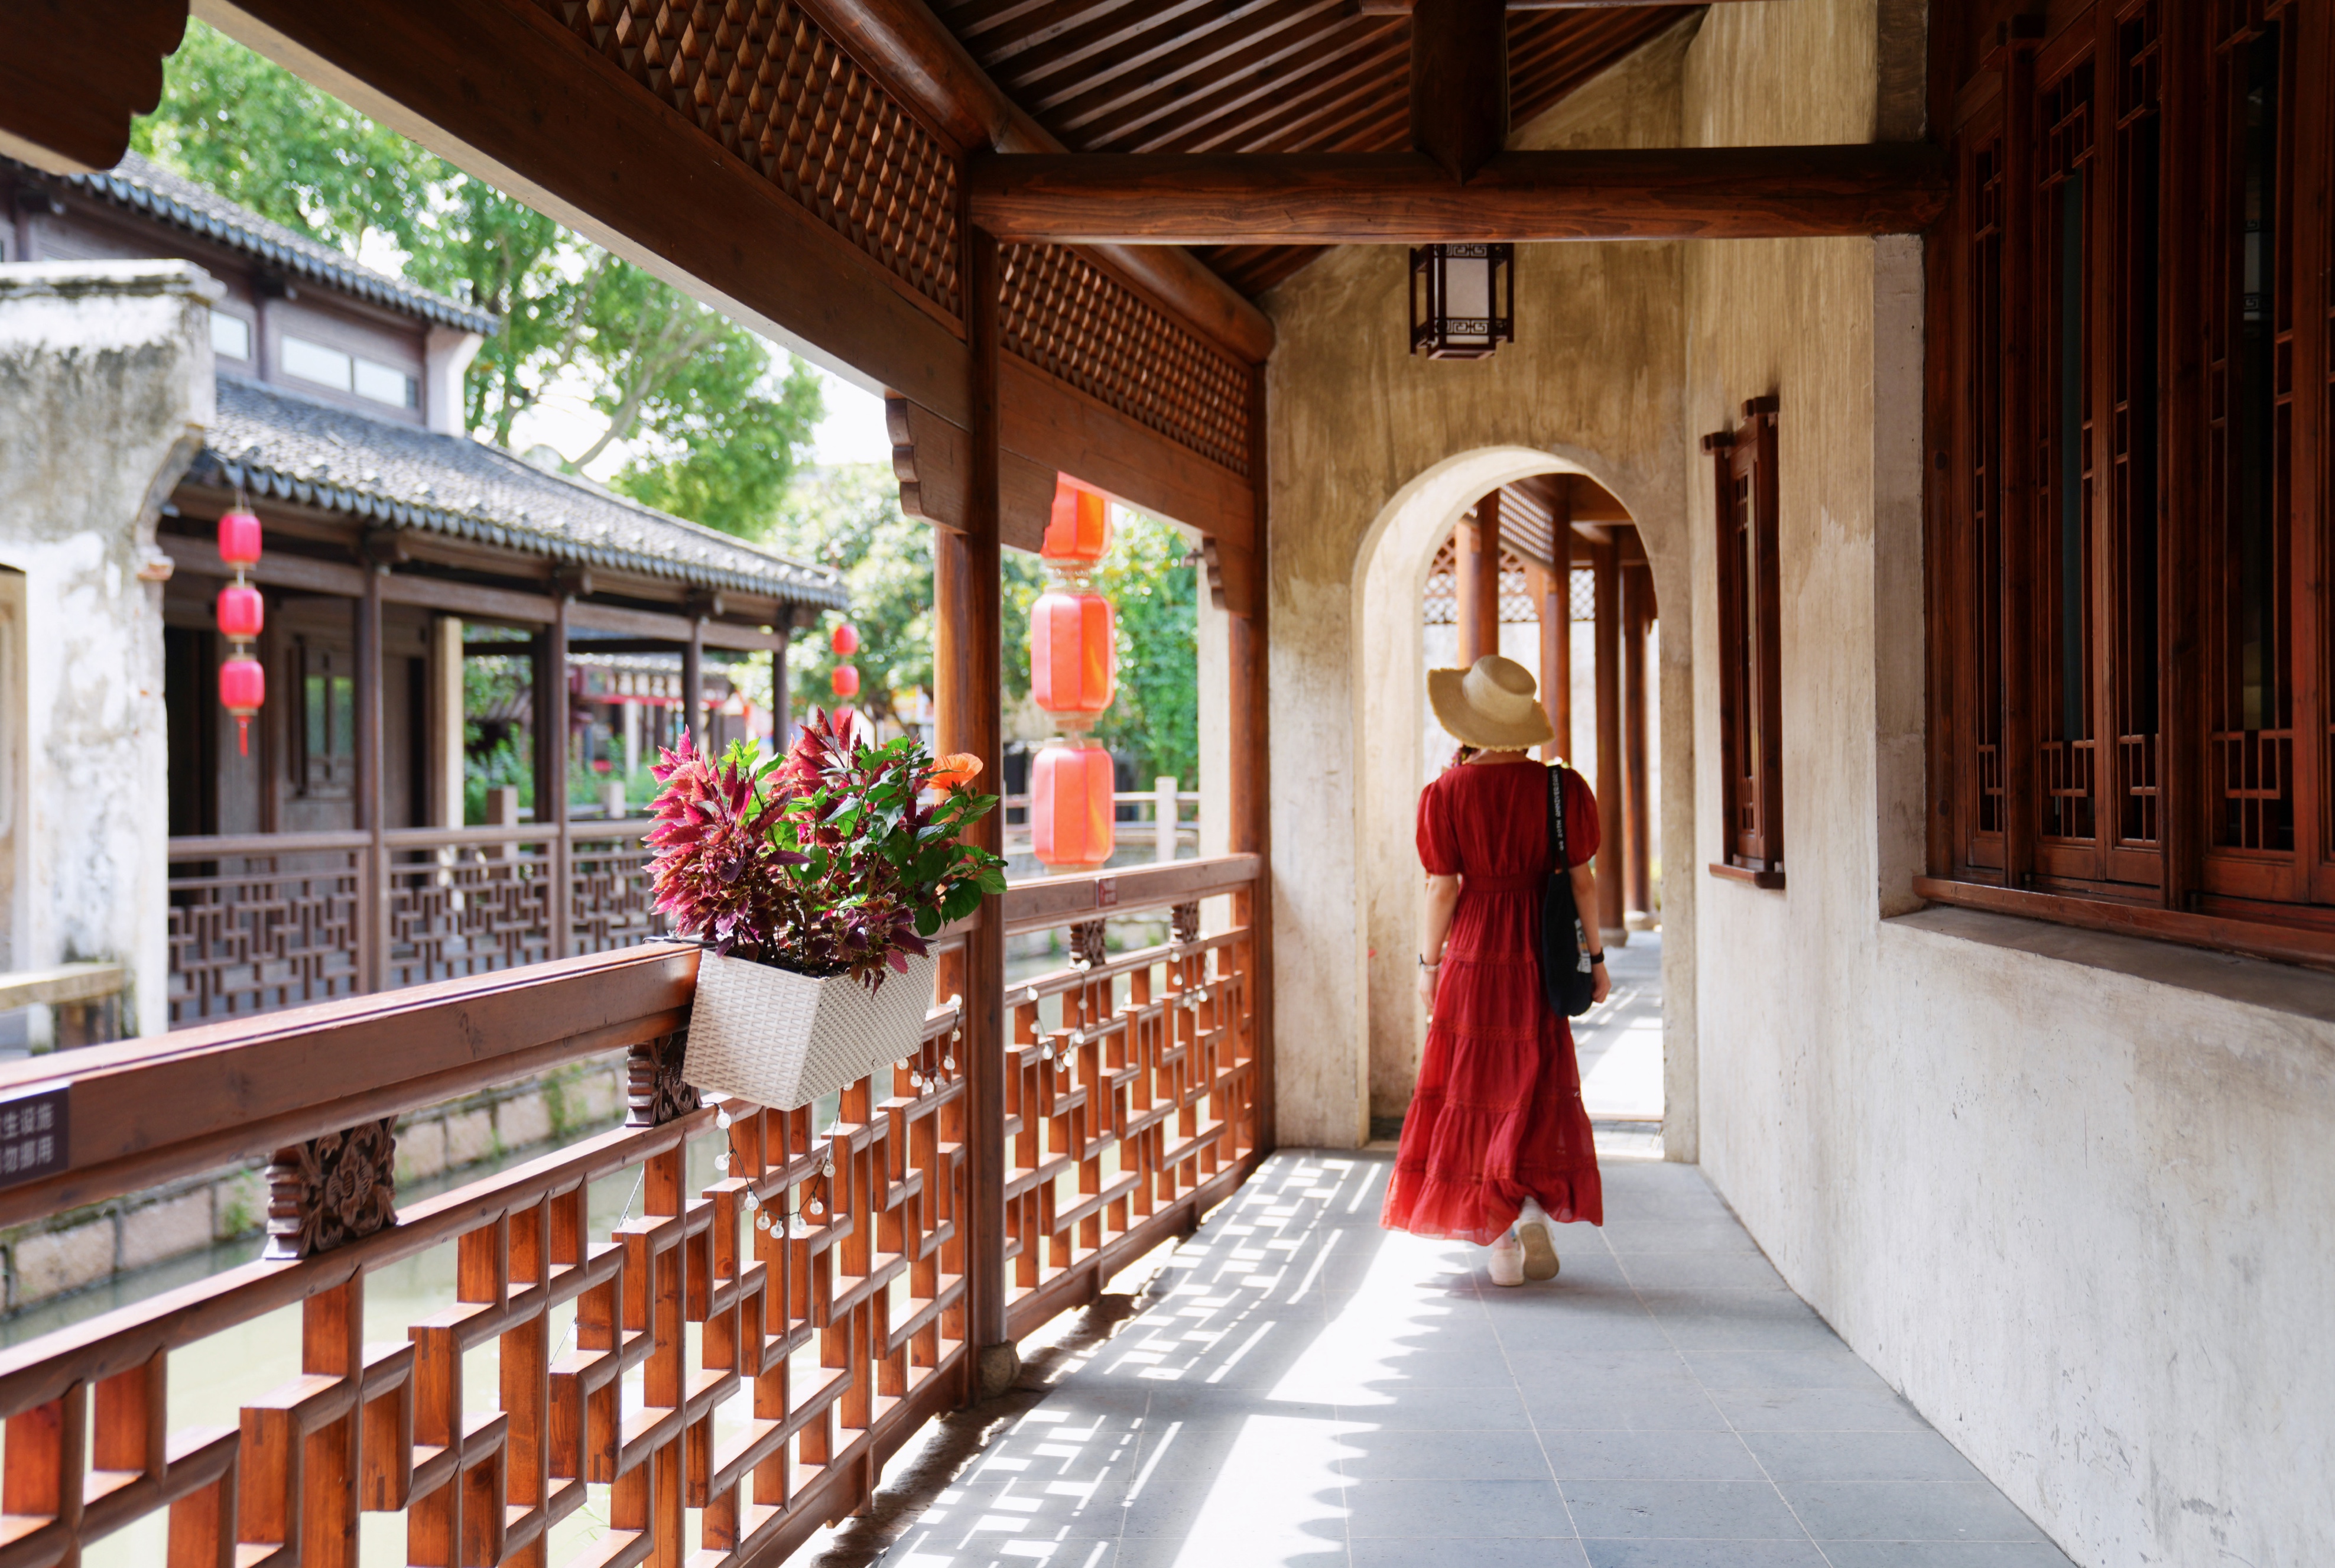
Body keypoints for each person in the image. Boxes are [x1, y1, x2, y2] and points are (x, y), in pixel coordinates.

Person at [1381, 653, 1609, 1286]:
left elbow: (1441, 889)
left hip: (1478, 954)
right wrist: (1595, 959)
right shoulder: (1562, 790)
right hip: (1540, 951)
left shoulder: (1447, 794)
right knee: (1533, 1079)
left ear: (1469, 721)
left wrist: (1429, 963)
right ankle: (1532, 1206)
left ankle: (1502, 1241)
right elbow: (1584, 885)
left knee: (1475, 1086)